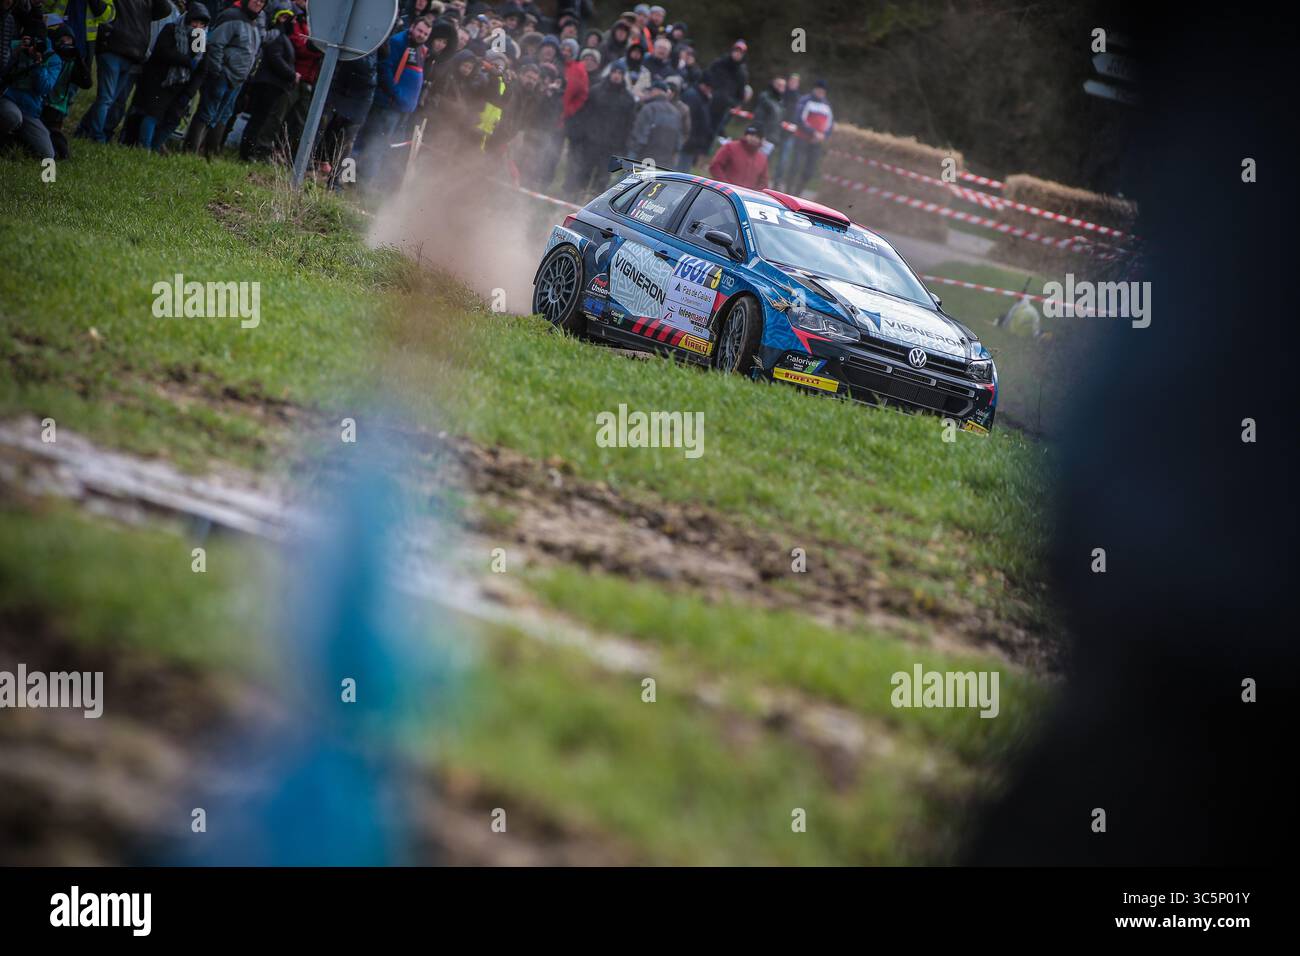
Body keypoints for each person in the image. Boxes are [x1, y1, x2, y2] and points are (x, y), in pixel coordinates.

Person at [80, 0, 175, 142]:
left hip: (129, 53)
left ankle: (85, 130)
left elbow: (164, 10)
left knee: (108, 100)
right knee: (106, 99)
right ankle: (96, 135)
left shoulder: (147, 4)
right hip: (115, 49)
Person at [187, 0, 266, 157]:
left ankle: (209, 152)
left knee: (224, 115)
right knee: (207, 112)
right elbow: (215, 44)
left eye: (263, 1)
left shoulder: (255, 22)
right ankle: (190, 151)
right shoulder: (232, 16)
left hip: (239, 79)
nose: (258, 3)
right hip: (223, 74)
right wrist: (217, 70)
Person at [130, 3, 210, 152]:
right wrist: (187, 61)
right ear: (188, 19)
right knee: (152, 115)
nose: (197, 26)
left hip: (182, 86)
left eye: (201, 24)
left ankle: (155, 147)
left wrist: (189, 93)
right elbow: (163, 52)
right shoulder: (172, 30)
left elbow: (201, 70)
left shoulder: (201, 43)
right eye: (195, 22)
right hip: (161, 81)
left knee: (173, 120)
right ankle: (144, 148)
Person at [564, 61, 632, 197]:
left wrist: (623, 146)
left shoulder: (627, 99)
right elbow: (584, 114)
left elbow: (628, 125)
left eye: (620, 73)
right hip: (590, 141)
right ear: (610, 72)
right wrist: (580, 134)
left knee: (602, 181)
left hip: (610, 147)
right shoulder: (596, 91)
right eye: (615, 72)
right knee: (583, 174)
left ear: (624, 76)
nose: (616, 76)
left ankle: (593, 206)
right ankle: (574, 200)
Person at [239, 7, 297, 161]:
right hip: (267, 84)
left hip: (273, 85)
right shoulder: (277, 35)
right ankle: (246, 153)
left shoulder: (283, 36)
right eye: (293, 20)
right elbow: (275, 58)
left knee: (260, 119)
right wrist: (292, 75)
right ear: (282, 19)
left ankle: (249, 151)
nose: (295, 23)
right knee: (257, 119)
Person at [0, 26, 61, 158]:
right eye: (30, 41)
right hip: (8, 98)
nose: (33, 45)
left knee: (47, 154)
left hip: (30, 109)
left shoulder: (52, 58)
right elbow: (2, 74)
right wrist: (15, 55)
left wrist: (38, 64)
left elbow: (44, 88)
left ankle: (13, 143)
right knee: (13, 117)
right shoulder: (13, 47)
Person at [39, 17, 93, 158]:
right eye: (62, 41)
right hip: (41, 103)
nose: (66, 45)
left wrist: (79, 59)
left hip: (57, 108)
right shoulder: (47, 57)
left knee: (54, 137)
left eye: (70, 41)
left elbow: (87, 83)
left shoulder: (72, 62)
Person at [788, 78, 833, 194]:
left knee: (810, 169)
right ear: (815, 89)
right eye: (819, 90)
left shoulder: (827, 105)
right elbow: (799, 119)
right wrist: (813, 132)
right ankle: (788, 190)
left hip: (816, 142)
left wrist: (824, 135)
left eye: (823, 91)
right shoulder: (805, 101)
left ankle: (798, 192)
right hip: (802, 138)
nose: (820, 93)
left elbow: (830, 124)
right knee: (796, 165)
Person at [625, 78, 680, 170]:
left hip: (646, 159)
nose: (648, 93)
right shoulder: (676, 113)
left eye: (650, 91)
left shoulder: (649, 108)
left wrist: (632, 158)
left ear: (656, 91)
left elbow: (640, 136)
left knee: (637, 183)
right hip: (665, 162)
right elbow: (678, 143)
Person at [703, 38, 748, 140]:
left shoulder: (742, 73)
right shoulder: (719, 63)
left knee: (713, 133)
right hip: (709, 101)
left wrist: (733, 103)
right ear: (732, 51)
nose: (737, 54)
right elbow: (706, 76)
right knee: (701, 126)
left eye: (740, 52)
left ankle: (705, 152)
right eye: (736, 51)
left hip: (724, 107)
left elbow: (740, 94)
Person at [708, 123, 768, 190]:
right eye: (751, 135)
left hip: (745, 197)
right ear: (746, 135)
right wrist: (726, 186)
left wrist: (755, 193)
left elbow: (763, 182)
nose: (753, 138)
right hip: (724, 194)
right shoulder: (730, 147)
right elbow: (715, 166)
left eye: (757, 137)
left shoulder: (762, 159)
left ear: (761, 139)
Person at [676, 76, 711, 169]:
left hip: (692, 142)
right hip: (688, 141)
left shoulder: (701, 97)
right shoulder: (692, 96)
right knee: (680, 171)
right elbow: (687, 120)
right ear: (703, 85)